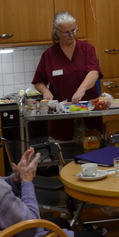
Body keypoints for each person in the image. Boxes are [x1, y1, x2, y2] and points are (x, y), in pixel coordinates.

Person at [33, 12, 103, 141]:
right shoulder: (49, 55)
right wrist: (45, 91)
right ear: (57, 32)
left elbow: (94, 72)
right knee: (64, 149)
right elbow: (38, 81)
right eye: (66, 33)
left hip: (88, 111)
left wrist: (82, 88)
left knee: (92, 146)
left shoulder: (87, 49)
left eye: (74, 30)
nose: (71, 35)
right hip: (61, 116)